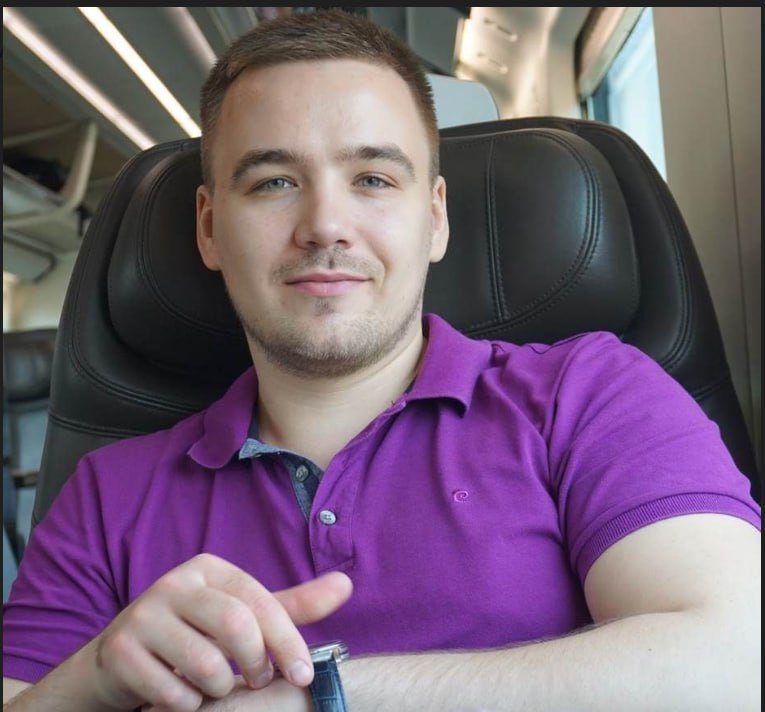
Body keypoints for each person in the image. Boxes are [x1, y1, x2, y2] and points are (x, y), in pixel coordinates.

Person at [2, 9, 761, 712]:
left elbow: (736, 662)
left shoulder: (591, 394)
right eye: (273, 182)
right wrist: (91, 679)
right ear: (209, 228)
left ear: (434, 217)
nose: (325, 225)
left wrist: (317, 699)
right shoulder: (106, 494)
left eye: (372, 179)